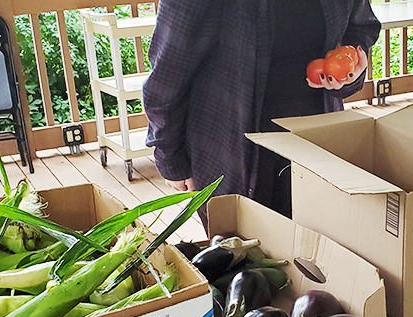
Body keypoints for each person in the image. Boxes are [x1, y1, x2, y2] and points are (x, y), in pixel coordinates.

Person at [142, 0, 381, 221]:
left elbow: (361, 27)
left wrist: (350, 71)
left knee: (315, 255)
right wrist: (170, 156)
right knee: (242, 256)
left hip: (315, 144)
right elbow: (167, 74)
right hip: (229, 149)